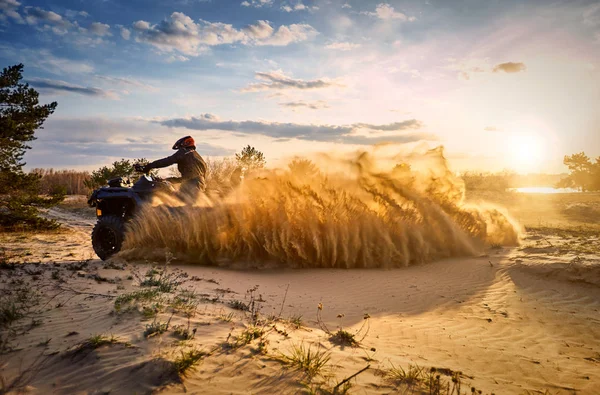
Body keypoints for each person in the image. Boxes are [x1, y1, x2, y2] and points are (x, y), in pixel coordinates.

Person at [141, 136, 207, 203]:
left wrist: (149, 166)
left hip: (191, 185)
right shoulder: (198, 157)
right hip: (199, 185)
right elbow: (186, 178)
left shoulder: (184, 152)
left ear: (185, 143)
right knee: (185, 204)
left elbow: (167, 161)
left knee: (173, 201)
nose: (179, 149)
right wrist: (166, 180)